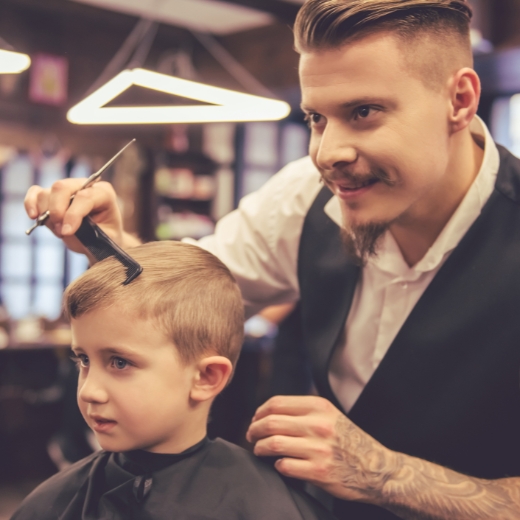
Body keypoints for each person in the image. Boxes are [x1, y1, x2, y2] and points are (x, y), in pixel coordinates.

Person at [23, 0, 520, 518]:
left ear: (459, 100)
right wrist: (110, 244)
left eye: (364, 113)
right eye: (316, 118)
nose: (328, 153)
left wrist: (386, 473)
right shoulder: (307, 198)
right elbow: (175, 305)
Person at [11, 241, 334, 520]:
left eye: (120, 363)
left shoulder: (268, 508)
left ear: (206, 377)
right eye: (83, 359)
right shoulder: (52, 503)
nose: (89, 390)